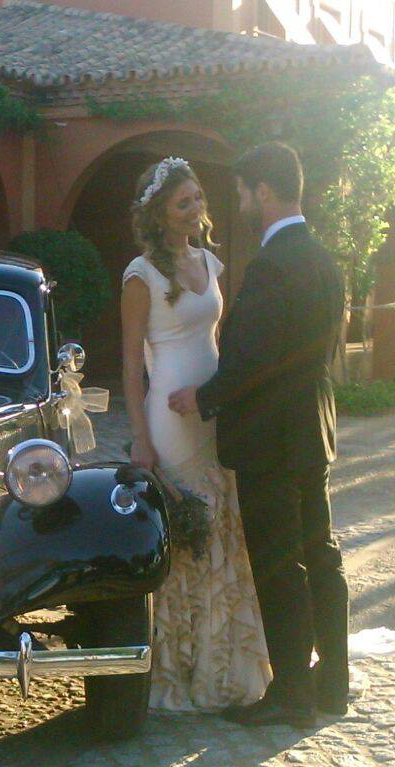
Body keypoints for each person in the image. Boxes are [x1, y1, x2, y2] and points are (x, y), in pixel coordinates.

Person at [168, 142, 351, 729]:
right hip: (311, 429)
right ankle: (335, 682)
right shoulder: (324, 259)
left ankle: (293, 692)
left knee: (278, 563)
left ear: (263, 191)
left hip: (271, 437)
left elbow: (252, 358)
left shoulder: (271, 265)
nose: (240, 201)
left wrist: (204, 397)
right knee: (321, 554)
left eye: (244, 191)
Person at [119, 156, 271, 712]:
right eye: (184, 202)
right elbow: (131, 364)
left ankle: (227, 659)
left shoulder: (212, 263)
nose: (196, 208)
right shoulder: (142, 276)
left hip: (213, 411)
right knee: (194, 532)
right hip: (171, 416)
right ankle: (184, 667)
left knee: (226, 525)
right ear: (159, 214)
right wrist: (140, 437)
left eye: (198, 199)